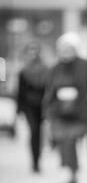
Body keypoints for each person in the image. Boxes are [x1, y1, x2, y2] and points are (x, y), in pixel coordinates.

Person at [43, 32, 87, 183]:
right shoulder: (55, 68)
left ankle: (74, 173)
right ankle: (70, 173)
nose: (65, 52)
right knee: (63, 142)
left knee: (71, 141)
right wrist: (48, 109)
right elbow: (49, 90)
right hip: (60, 113)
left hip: (80, 112)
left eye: (69, 48)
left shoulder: (86, 65)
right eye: (63, 48)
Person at [16, 41, 48, 172]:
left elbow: (48, 89)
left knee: (39, 133)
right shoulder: (23, 71)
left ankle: (38, 157)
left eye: (35, 50)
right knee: (34, 131)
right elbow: (20, 93)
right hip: (29, 106)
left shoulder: (45, 70)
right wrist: (19, 110)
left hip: (42, 106)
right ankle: (34, 161)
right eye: (30, 50)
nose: (33, 53)